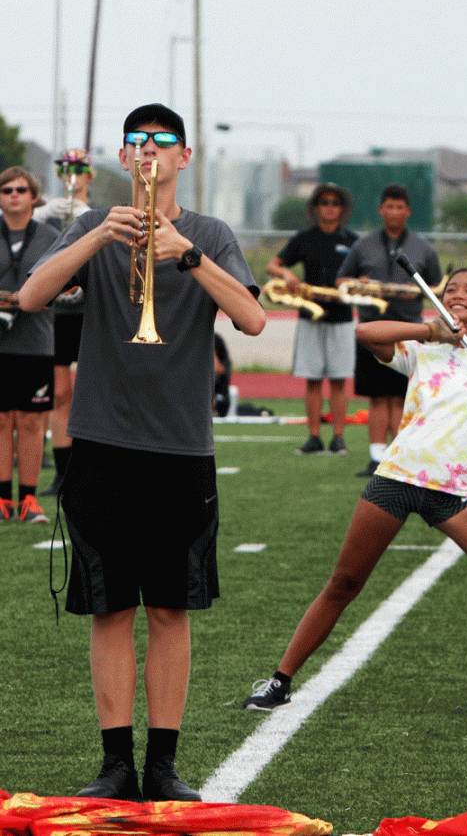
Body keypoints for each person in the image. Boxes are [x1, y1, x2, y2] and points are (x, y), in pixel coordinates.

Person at [20, 103, 266, 802]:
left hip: (180, 446)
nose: (150, 151)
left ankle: (163, 764)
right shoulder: (93, 224)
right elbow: (33, 296)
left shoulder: (211, 233)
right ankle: (114, 763)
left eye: (163, 142)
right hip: (101, 441)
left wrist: (186, 256)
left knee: (169, 609)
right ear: (125, 157)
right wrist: (98, 238)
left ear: (184, 157)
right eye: (138, 142)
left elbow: (250, 318)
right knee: (109, 609)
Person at [242, 268, 467, 711]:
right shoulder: (423, 350)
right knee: (344, 582)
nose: (457, 294)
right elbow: (366, 332)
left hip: (455, 492)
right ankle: (280, 680)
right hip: (397, 479)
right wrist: (432, 330)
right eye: (451, 289)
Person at [336, 183, 443, 477]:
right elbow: (341, 281)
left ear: (408, 212)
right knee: (377, 397)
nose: (394, 212)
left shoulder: (424, 248)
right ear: (381, 210)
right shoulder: (363, 245)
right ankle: (376, 457)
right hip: (372, 329)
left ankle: (400, 455)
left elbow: (439, 288)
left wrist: (418, 291)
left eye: (400, 207)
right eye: (389, 206)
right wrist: (359, 285)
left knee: (401, 397)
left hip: (409, 328)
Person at [265, 182, 357, 454]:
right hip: (310, 316)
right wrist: (286, 275)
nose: (329, 208)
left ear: (342, 209)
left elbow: (365, 274)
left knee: (339, 380)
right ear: (315, 208)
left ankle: (338, 437)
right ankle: (314, 436)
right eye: (324, 203)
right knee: (313, 380)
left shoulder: (353, 241)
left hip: (341, 317)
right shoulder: (304, 239)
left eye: (335, 203)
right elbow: (273, 265)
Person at [34, 149, 94, 497]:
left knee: (90, 392)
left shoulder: (94, 213)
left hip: (89, 311)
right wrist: (44, 212)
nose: (73, 176)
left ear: (90, 175)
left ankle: (91, 468)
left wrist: (84, 215)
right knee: (59, 394)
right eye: (67, 170)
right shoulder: (53, 213)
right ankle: (62, 472)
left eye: (80, 169)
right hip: (58, 312)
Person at [0, 167, 59, 523]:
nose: (13, 195)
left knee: (33, 422)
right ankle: (3, 498)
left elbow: (64, 283)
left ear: (34, 197)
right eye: (6, 190)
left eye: (22, 189)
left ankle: (29, 500)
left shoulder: (52, 236)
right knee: (1, 420)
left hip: (36, 340)